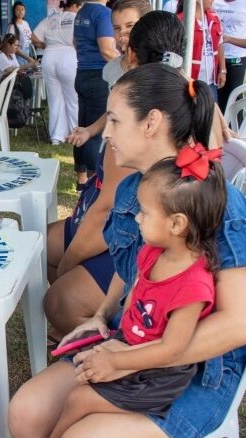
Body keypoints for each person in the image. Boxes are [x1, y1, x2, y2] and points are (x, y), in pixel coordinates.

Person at [9, 63, 246, 438]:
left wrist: (131, 359)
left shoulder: (215, 204)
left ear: (151, 123)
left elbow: (239, 325)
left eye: (114, 120)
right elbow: (131, 270)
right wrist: (100, 315)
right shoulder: (132, 189)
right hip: (131, 339)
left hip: (192, 370)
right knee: (24, 413)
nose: (105, 133)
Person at [41, 155, 227, 438]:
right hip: (132, 350)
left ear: (177, 223)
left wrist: (117, 360)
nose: (137, 217)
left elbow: (172, 349)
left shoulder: (193, 287)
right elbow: (130, 287)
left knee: (80, 398)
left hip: (159, 375)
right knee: (77, 394)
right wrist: (106, 324)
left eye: (145, 213)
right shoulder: (154, 250)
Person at [46, 11, 186, 338]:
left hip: (145, 255)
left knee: (58, 301)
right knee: (41, 251)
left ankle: (108, 335)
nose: (106, 131)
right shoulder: (181, 96)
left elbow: (109, 215)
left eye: (113, 121)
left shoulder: (135, 135)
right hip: (137, 245)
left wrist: (68, 268)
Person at [72, 0, 120, 189]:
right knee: (95, 132)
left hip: (82, 72)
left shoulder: (82, 11)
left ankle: (81, 178)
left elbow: (76, 43)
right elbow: (107, 49)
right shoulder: (103, 13)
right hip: (99, 75)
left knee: (82, 127)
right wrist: (128, 64)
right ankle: (94, 182)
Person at [38, 0, 82, 146]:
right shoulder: (77, 18)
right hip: (69, 57)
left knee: (55, 99)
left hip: (49, 57)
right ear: (75, 5)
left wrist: (45, 45)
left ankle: (56, 136)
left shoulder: (51, 18)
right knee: (73, 99)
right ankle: (75, 134)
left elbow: (33, 36)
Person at [212, 0, 246, 112]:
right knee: (215, 97)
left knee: (235, 97)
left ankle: (235, 128)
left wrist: (228, 39)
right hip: (214, 57)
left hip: (237, 57)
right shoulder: (212, 2)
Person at [178, 0, 226, 101]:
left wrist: (222, 70)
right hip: (189, 83)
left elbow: (219, 44)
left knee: (212, 114)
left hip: (210, 84)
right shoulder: (181, 20)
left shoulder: (214, 18)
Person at [102, 0, 153, 88]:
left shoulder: (161, 67)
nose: (122, 31)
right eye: (117, 28)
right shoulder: (110, 68)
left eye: (130, 25)